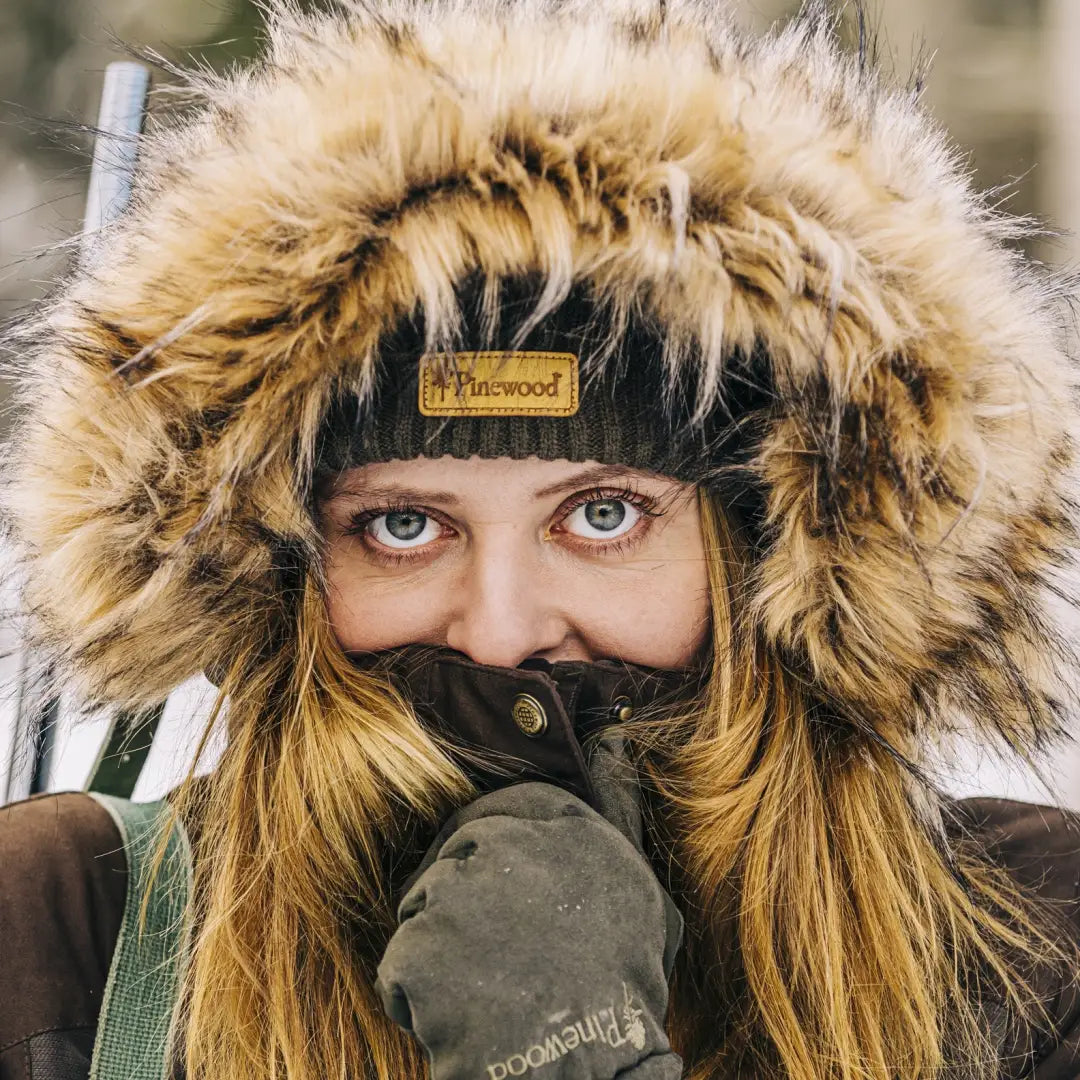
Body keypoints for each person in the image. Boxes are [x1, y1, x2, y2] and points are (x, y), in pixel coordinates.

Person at [1, 0, 1080, 1078]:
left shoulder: (1032, 949)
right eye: (403, 525)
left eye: (602, 515)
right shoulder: (60, 933)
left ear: (764, 550)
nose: (502, 634)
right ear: (277, 565)